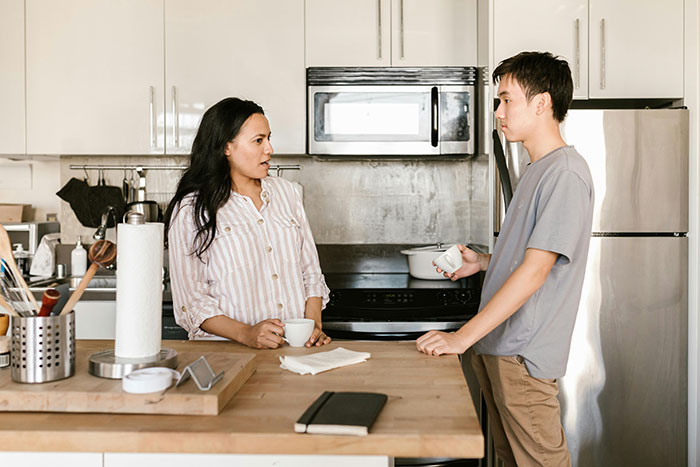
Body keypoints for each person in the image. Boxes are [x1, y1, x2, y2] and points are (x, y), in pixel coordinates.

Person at [416, 52, 594, 467]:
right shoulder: (537, 169)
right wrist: (482, 263)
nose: (498, 112)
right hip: (502, 349)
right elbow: (533, 254)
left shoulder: (565, 173)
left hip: (522, 355)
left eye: (506, 100)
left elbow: (536, 272)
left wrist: (462, 337)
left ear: (541, 103)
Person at [164, 97, 331, 349]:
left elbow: (311, 274)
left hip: (292, 351)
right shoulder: (190, 210)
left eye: (268, 138)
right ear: (226, 147)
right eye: (258, 140)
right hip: (226, 354)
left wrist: (313, 327)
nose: (270, 149)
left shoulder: (287, 193)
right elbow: (192, 302)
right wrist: (246, 334)